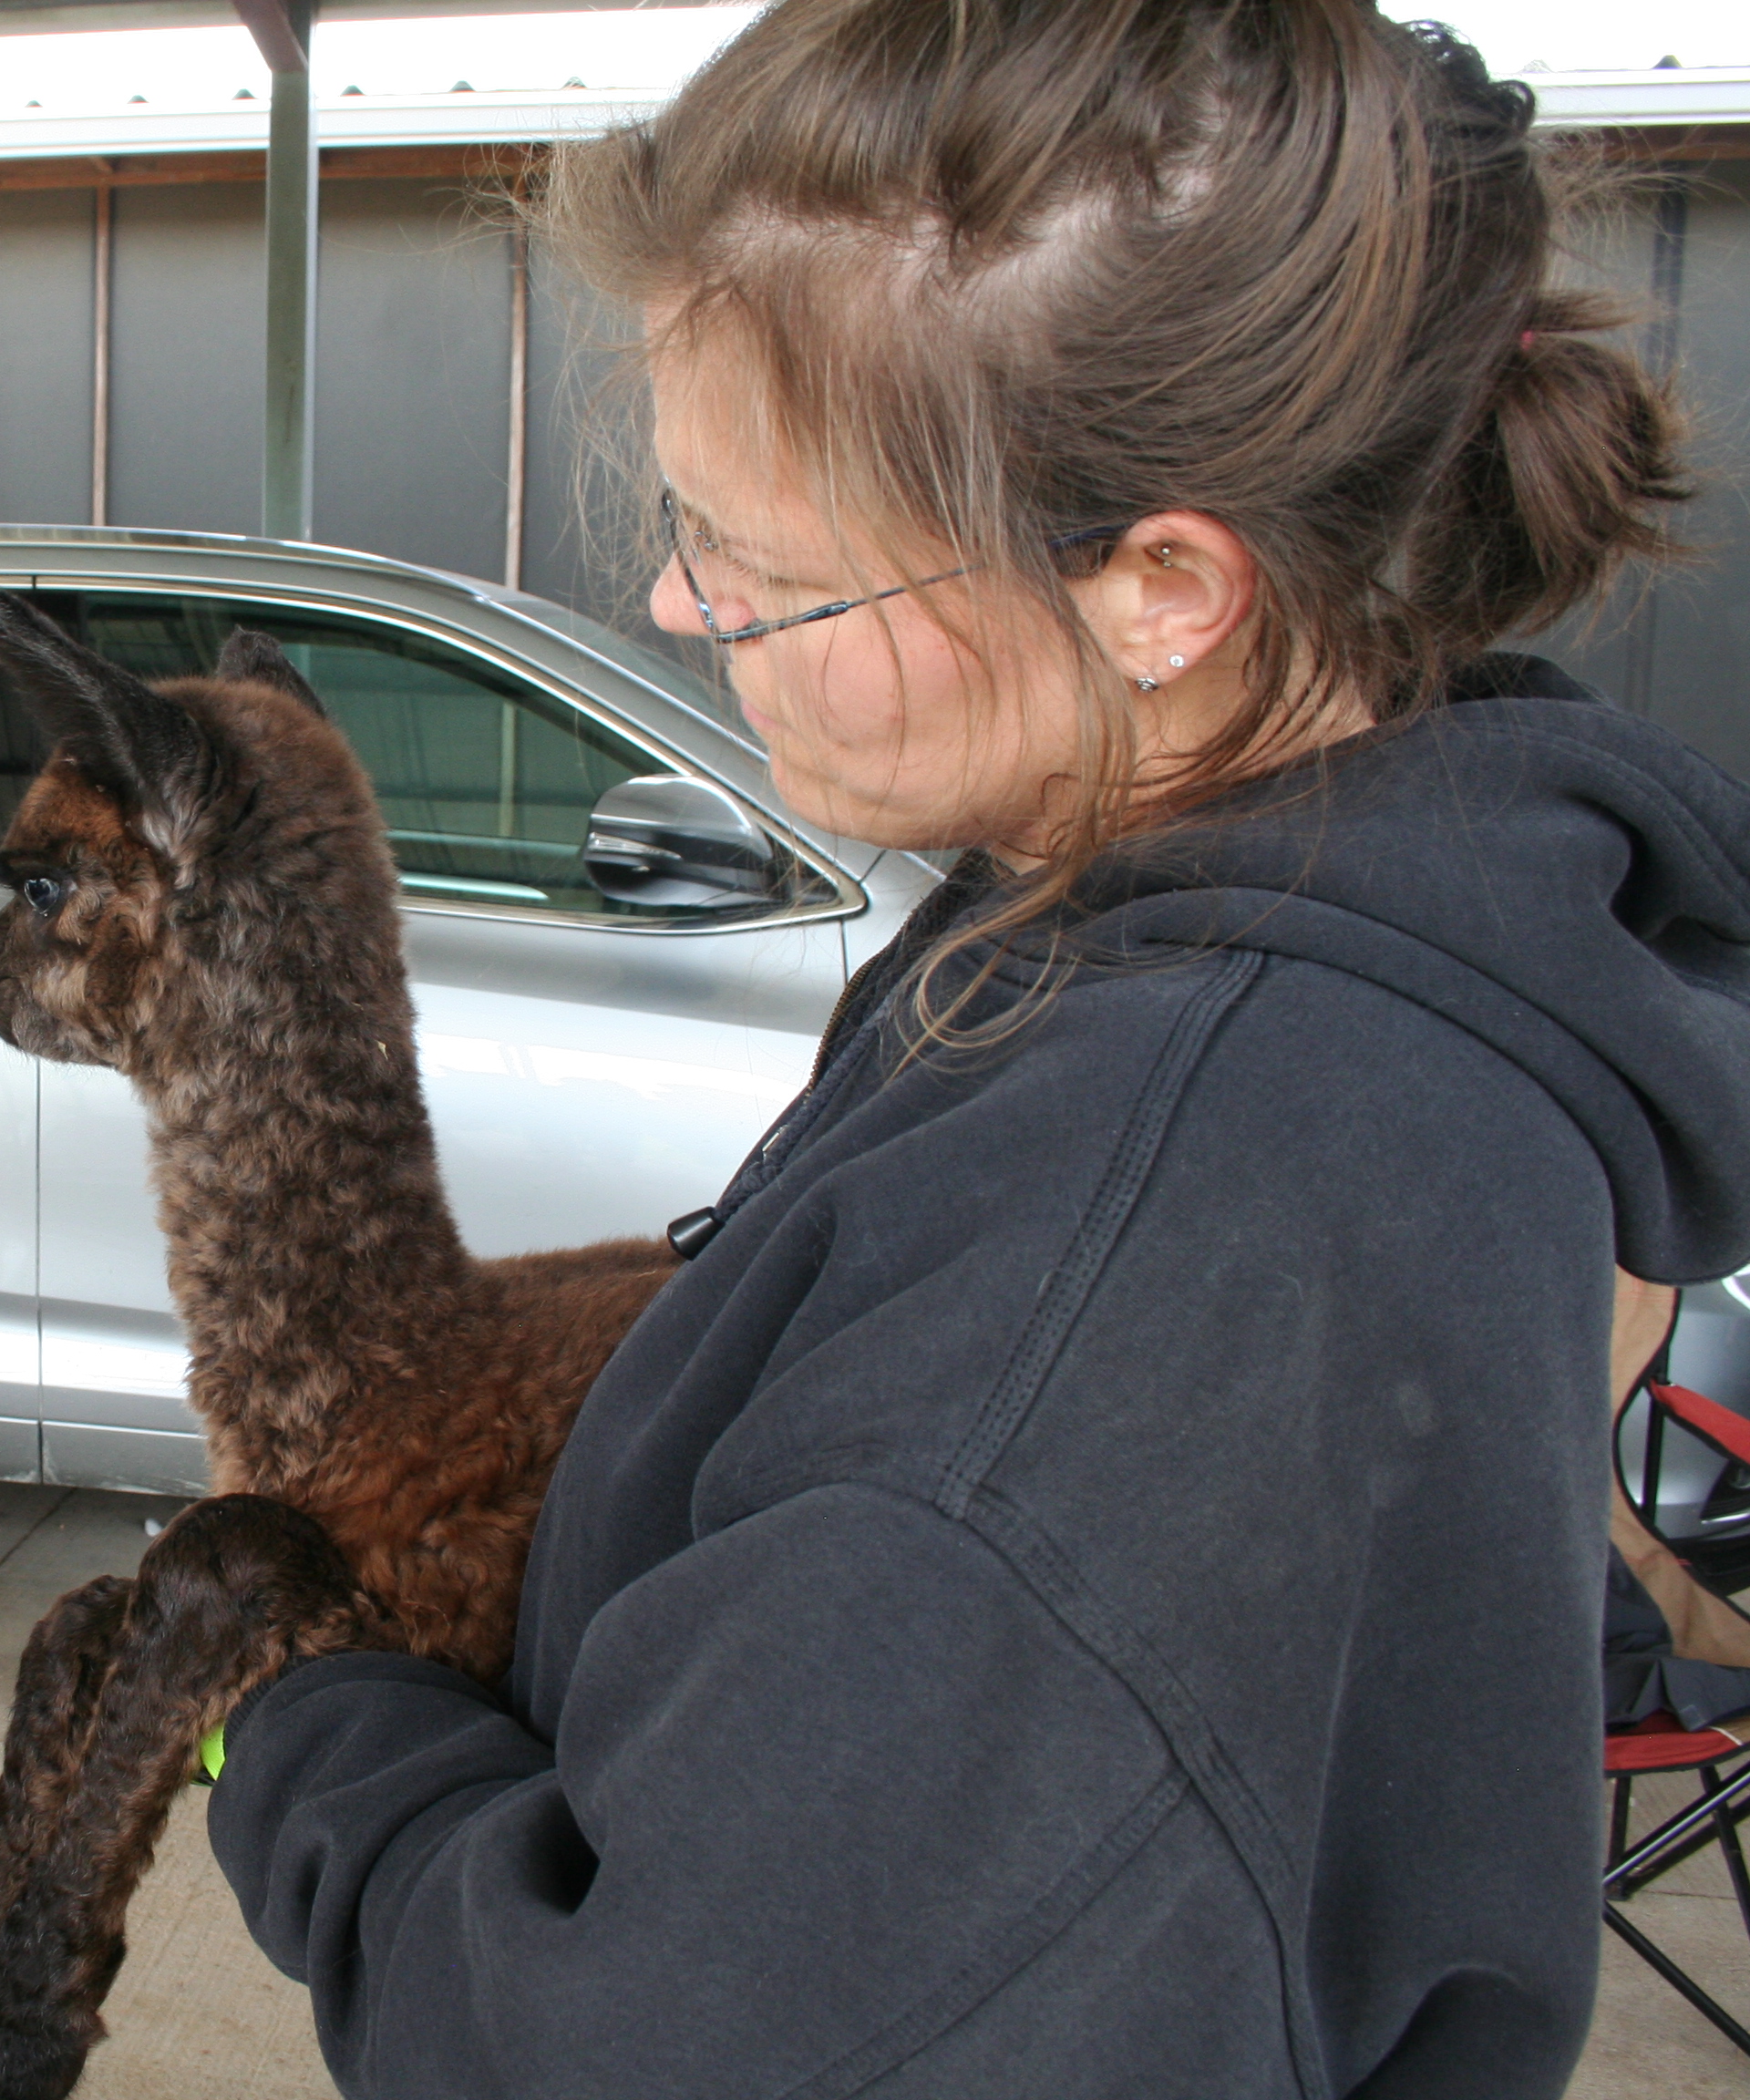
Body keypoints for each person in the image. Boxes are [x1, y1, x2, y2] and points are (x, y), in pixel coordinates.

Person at [201, 4, 1750, 2094]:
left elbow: (637, 2049)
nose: (674, 599)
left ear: (1162, 589)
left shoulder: (1151, 1258)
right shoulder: (1233, 895)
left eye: (759, 567)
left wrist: (294, 1719)